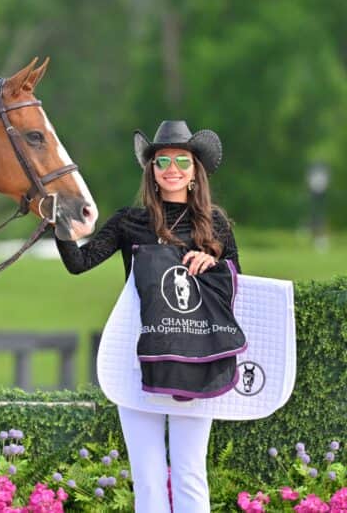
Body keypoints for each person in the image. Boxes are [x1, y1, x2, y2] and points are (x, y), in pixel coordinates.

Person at [55, 120, 239, 513]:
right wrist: (60, 227)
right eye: (162, 161)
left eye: (182, 161)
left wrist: (214, 259)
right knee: (148, 479)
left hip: (197, 357)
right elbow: (80, 262)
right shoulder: (129, 221)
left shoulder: (216, 224)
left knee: (190, 474)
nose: (172, 168)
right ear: (152, 171)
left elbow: (238, 284)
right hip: (138, 359)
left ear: (195, 172)